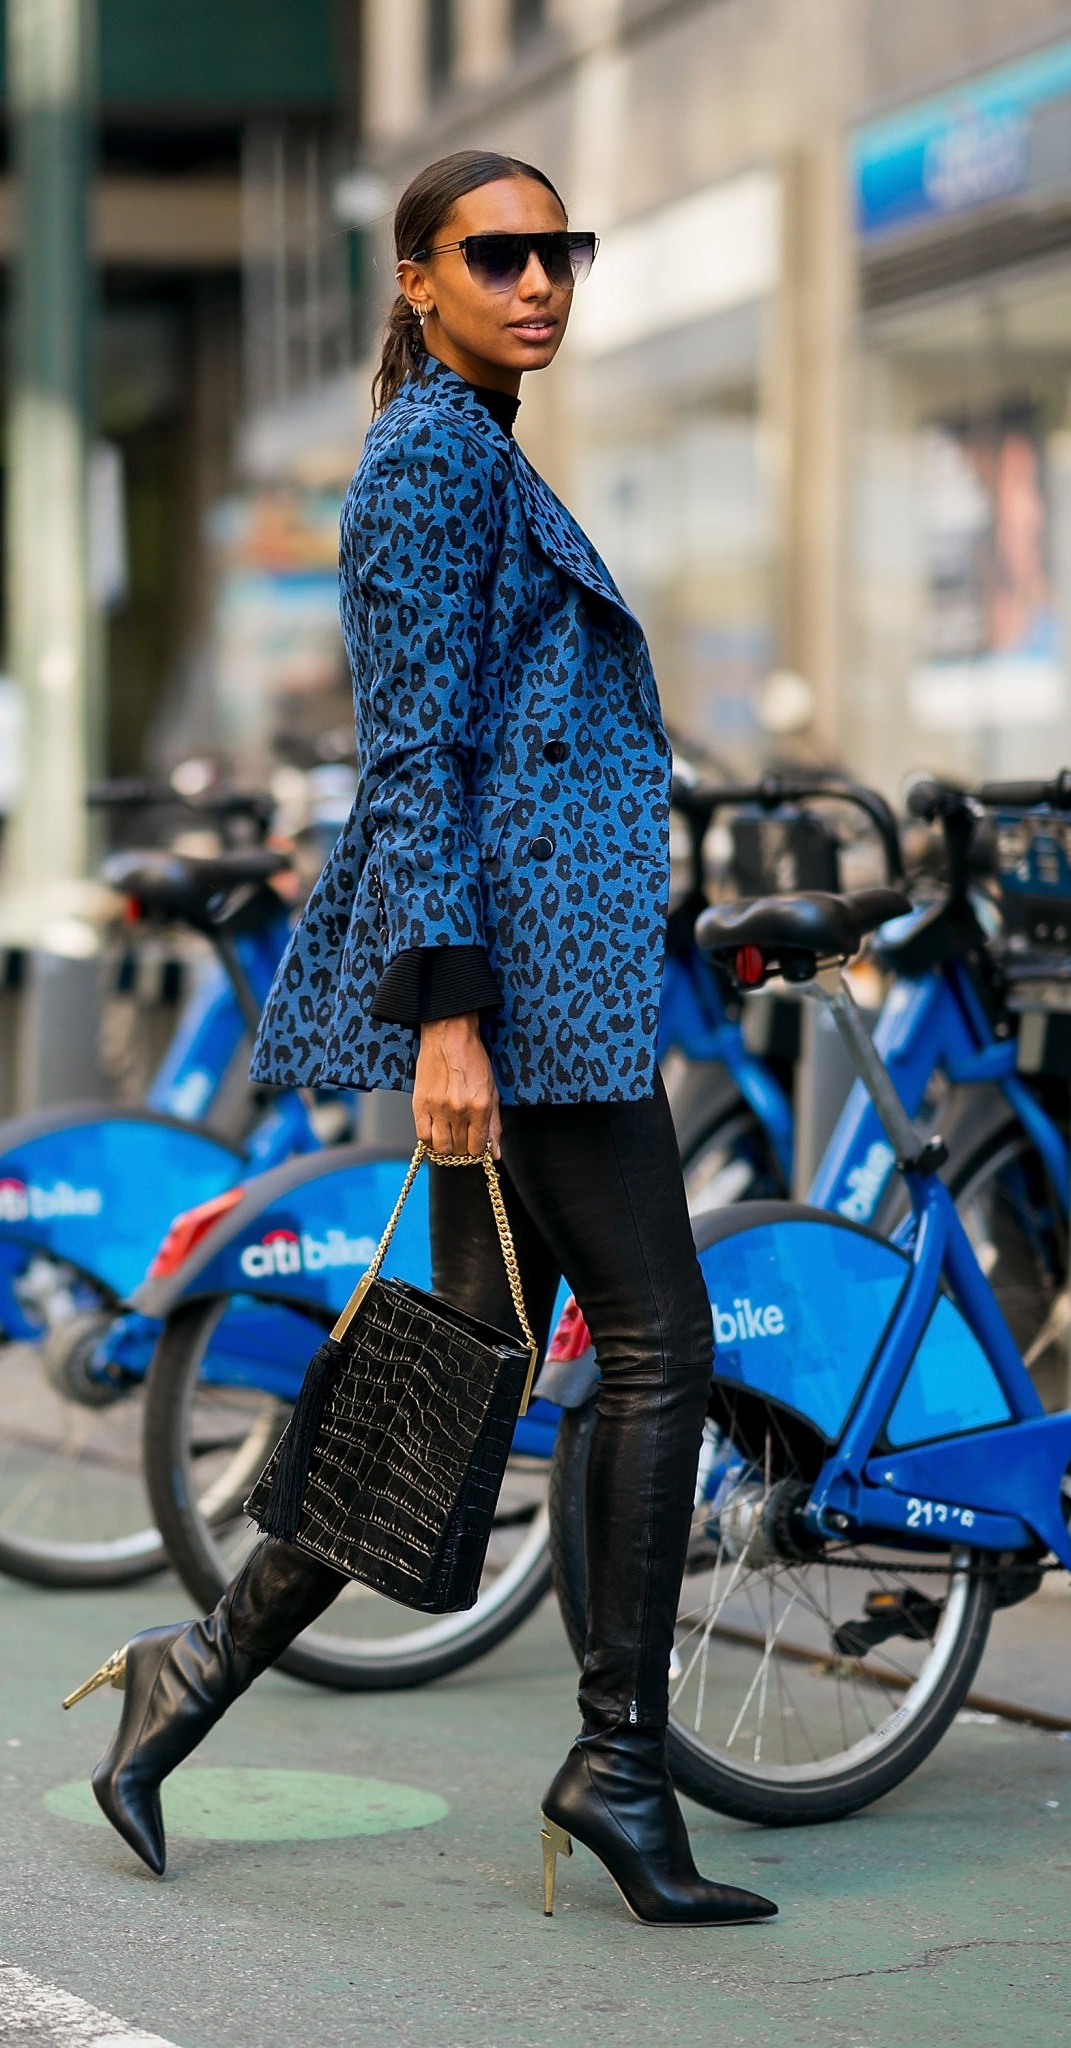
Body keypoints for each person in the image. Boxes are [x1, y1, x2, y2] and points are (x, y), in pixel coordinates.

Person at [68, 149, 777, 1930]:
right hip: (519, 990)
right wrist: (450, 1019)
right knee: (656, 1342)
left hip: (551, 968)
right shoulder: (423, 467)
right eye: (498, 253)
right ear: (417, 277)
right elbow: (415, 765)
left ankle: (186, 1683)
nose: (538, 280)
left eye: (560, 251)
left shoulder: (475, 441)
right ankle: (617, 1762)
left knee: (462, 1353)